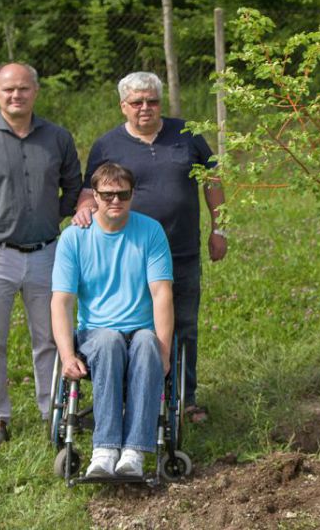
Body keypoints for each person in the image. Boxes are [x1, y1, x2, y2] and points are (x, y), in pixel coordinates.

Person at [73, 71, 225, 423]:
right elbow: (90, 190)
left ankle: (185, 398)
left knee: (184, 326)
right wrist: (83, 210)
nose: (146, 108)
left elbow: (213, 179)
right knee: (137, 328)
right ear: (123, 106)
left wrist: (221, 228)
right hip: (128, 256)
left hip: (181, 251)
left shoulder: (186, 134)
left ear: (161, 103)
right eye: (137, 102)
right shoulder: (107, 145)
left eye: (152, 101)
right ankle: (134, 395)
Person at [0, 62, 82, 447]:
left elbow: (74, 188)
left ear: (35, 92)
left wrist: (48, 214)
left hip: (46, 252)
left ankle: (52, 410)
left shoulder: (57, 138)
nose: (16, 95)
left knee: (51, 338)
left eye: (23, 88)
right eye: (8, 90)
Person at [52, 163, 174, 477]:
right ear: (95, 195)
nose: (115, 201)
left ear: (133, 195)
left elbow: (161, 293)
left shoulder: (150, 231)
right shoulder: (74, 238)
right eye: (107, 195)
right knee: (107, 341)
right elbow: (61, 301)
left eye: (123, 194)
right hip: (96, 333)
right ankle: (104, 450)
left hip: (140, 330)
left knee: (149, 343)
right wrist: (67, 355)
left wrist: (164, 351)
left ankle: (134, 451)